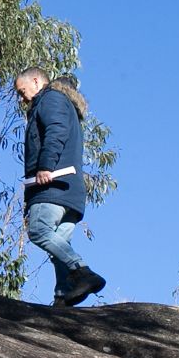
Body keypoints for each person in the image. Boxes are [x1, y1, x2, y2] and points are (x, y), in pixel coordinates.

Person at [14, 68, 106, 306]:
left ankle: (82, 272)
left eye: (22, 92)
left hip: (52, 186)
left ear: (36, 81)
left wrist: (45, 166)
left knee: (38, 230)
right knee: (59, 246)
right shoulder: (68, 107)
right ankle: (63, 297)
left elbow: (56, 131)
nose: (21, 98)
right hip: (70, 192)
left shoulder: (51, 98)